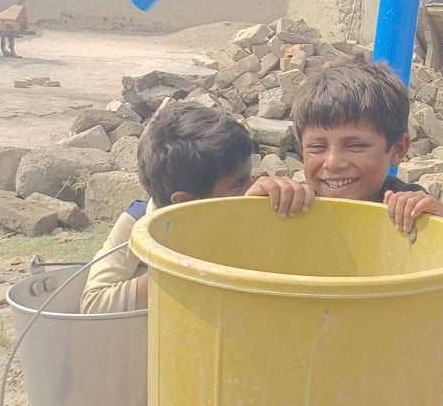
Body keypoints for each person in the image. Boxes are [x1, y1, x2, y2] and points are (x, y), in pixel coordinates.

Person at [291, 56, 443, 406]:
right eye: (317, 146)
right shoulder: (294, 205)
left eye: (355, 145)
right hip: (306, 394)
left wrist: (440, 231)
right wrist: (256, 202)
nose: (333, 163)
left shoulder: (409, 210)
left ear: (398, 150)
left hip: (388, 399)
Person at [81, 100, 314, 314]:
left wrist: (285, 199)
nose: (252, 188)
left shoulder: (251, 211)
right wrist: (185, 268)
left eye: (249, 177)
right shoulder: (139, 222)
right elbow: (94, 303)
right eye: (239, 183)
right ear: (184, 203)